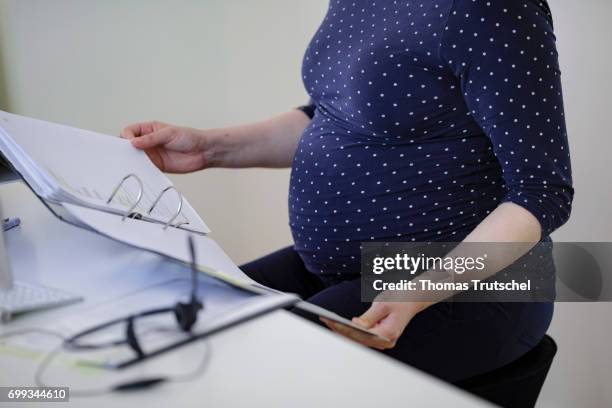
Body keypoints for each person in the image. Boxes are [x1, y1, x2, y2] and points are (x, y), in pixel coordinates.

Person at [122, 0, 573, 382]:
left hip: (475, 284)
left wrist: (421, 290)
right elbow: (331, 115)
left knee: (249, 364)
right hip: (340, 267)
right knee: (184, 313)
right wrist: (207, 149)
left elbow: (542, 192)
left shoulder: (494, 10)